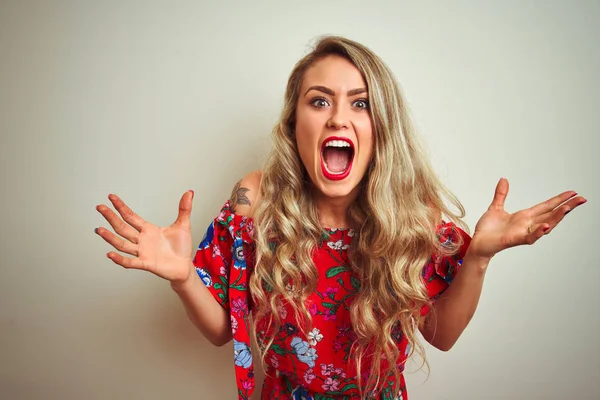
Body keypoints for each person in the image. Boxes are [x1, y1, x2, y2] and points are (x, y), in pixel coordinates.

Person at [94, 36, 586, 400]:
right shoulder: (255, 198)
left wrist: (478, 256)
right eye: (320, 100)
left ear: (380, 127)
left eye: (361, 103)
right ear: (294, 124)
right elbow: (224, 330)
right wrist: (183, 277)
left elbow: (443, 336)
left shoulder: (413, 214)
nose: (337, 118)